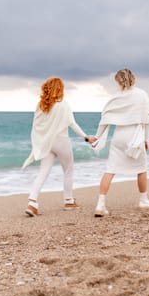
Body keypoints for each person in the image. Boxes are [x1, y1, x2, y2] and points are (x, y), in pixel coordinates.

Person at [22, 77, 96, 217]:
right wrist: (86, 137)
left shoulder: (41, 105)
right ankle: (68, 201)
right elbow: (72, 124)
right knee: (68, 170)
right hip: (61, 141)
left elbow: (37, 126)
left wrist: (39, 143)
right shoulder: (64, 104)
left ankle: (32, 203)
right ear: (60, 89)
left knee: (43, 172)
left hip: (47, 143)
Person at [92, 68, 149, 217]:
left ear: (118, 81)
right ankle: (143, 200)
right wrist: (146, 139)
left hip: (119, 136)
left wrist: (97, 136)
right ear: (133, 78)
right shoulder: (141, 95)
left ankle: (100, 205)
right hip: (135, 135)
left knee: (110, 169)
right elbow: (147, 120)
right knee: (141, 168)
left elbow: (105, 118)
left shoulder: (116, 98)